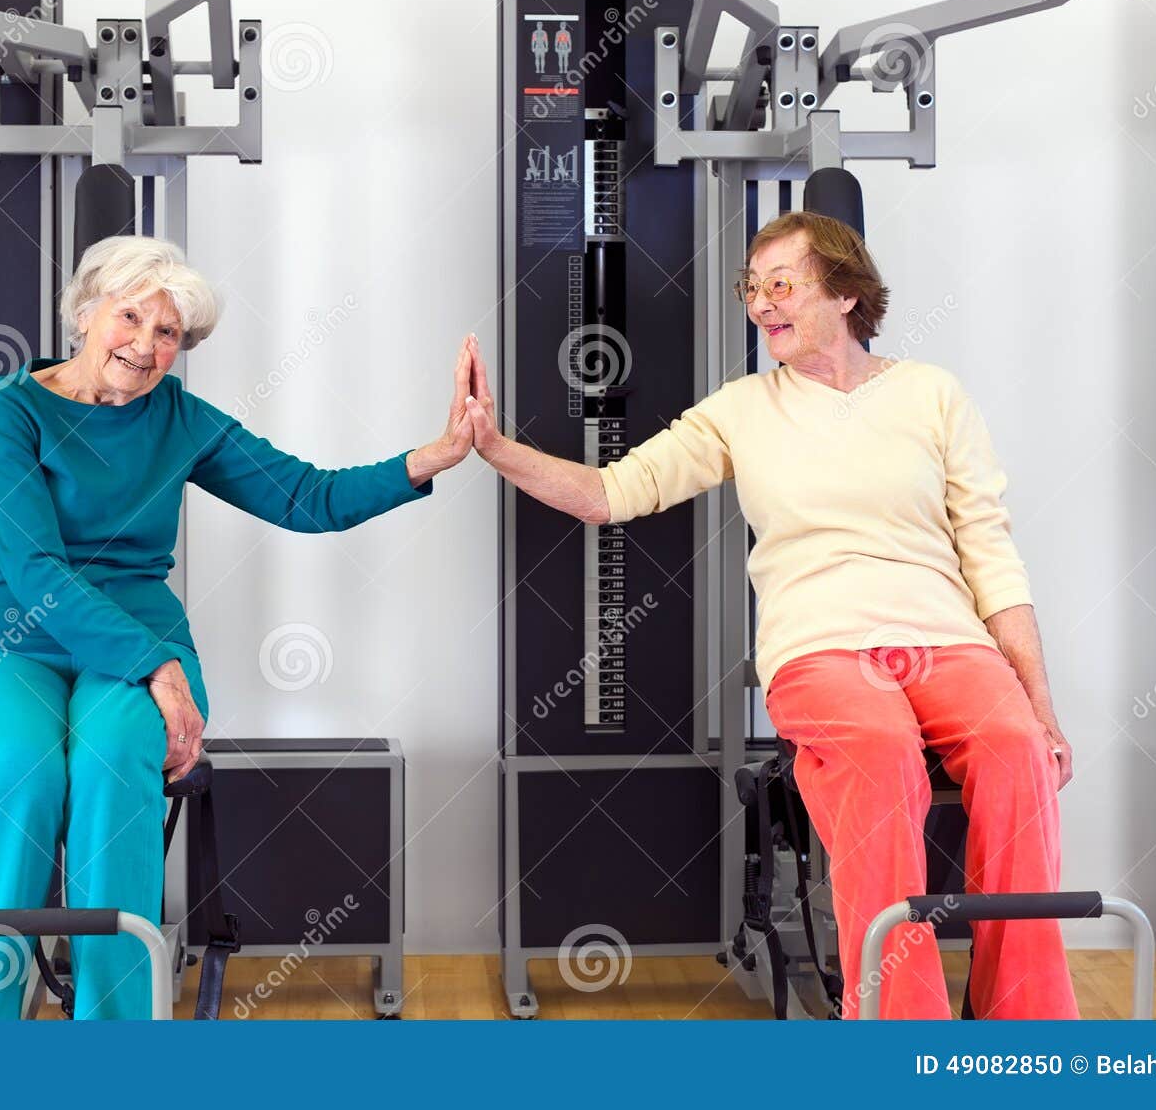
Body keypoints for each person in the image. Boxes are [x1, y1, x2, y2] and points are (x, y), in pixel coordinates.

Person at [460, 210, 1078, 1020]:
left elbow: (992, 558)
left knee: (1015, 753)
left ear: (847, 292)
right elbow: (613, 493)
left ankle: (1028, 1024)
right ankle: (900, 1031)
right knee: (883, 753)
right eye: (752, 288)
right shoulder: (744, 408)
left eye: (780, 284)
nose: (760, 304)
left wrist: (1041, 708)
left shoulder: (933, 394)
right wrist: (497, 447)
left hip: (947, 639)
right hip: (821, 650)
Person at [0, 234, 474, 1019]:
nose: (146, 347)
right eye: (130, 318)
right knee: (22, 763)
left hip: (138, 640)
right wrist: (156, 666)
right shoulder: (9, 407)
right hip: (12, 641)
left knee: (117, 759)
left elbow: (306, 497)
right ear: (86, 312)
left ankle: (116, 1051)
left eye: (168, 335)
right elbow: (35, 568)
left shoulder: (179, 418)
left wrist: (437, 454)